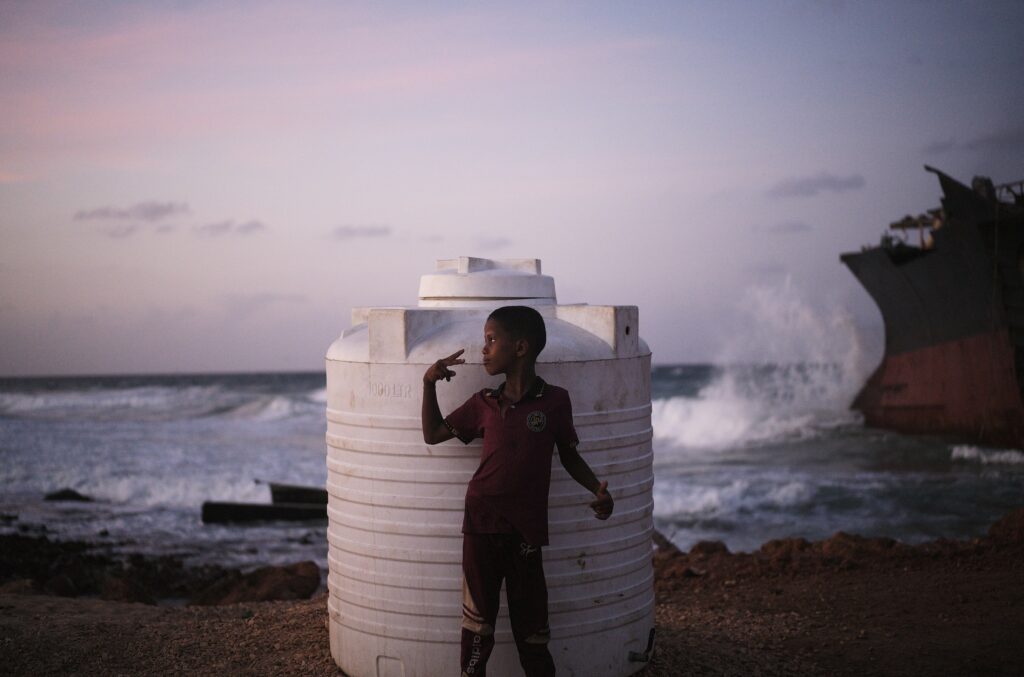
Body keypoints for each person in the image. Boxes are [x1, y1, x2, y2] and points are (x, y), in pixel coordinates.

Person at [421, 305, 614, 677]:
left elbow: (570, 456)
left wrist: (597, 489)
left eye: (492, 340)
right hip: (480, 527)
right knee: (477, 628)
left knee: (534, 633)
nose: (484, 350)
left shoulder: (555, 401)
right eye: (484, 341)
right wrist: (428, 383)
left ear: (521, 347)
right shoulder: (484, 403)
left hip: (526, 532)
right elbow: (432, 434)